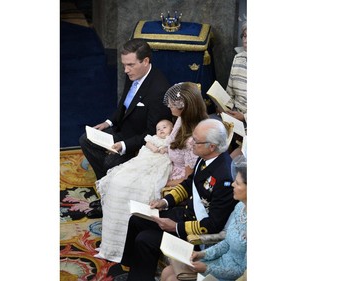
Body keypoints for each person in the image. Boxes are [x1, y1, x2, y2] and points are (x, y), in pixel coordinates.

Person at [94, 82, 209, 263]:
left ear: (184, 106)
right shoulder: (181, 120)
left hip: (174, 175)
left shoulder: (193, 139)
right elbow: (169, 141)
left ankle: (125, 247)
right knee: (118, 179)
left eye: (172, 103)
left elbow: (188, 178)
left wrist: (164, 182)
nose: (169, 106)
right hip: (164, 162)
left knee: (127, 187)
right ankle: (116, 245)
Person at [116, 118, 238, 281]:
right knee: (137, 219)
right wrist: (165, 202)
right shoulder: (205, 157)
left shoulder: (224, 177)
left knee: (145, 239)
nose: (190, 143)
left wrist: (176, 227)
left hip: (196, 235)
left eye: (196, 141)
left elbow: (213, 224)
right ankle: (134, 270)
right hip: (186, 215)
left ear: (212, 146)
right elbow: (189, 184)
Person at [79, 38, 171, 180]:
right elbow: (124, 104)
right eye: (124, 65)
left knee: (110, 163)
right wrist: (108, 123)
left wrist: (123, 145)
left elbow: (152, 133)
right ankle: (104, 180)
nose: (126, 70)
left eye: (130, 65)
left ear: (145, 61)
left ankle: (109, 186)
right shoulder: (134, 73)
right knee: (85, 140)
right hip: (121, 130)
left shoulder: (158, 90)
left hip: (137, 142)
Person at [160, 155, 247, 281]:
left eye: (237, 183)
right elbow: (227, 242)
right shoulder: (239, 207)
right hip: (219, 260)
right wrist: (202, 254)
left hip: (232, 275)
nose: (232, 184)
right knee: (167, 272)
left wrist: (206, 268)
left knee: (172, 279)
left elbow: (242, 272)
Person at [225, 21, 247, 123]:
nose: (245, 40)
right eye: (244, 36)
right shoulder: (238, 58)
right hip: (234, 115)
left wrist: (244, 117)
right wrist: (225, 107)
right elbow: (230, 92)